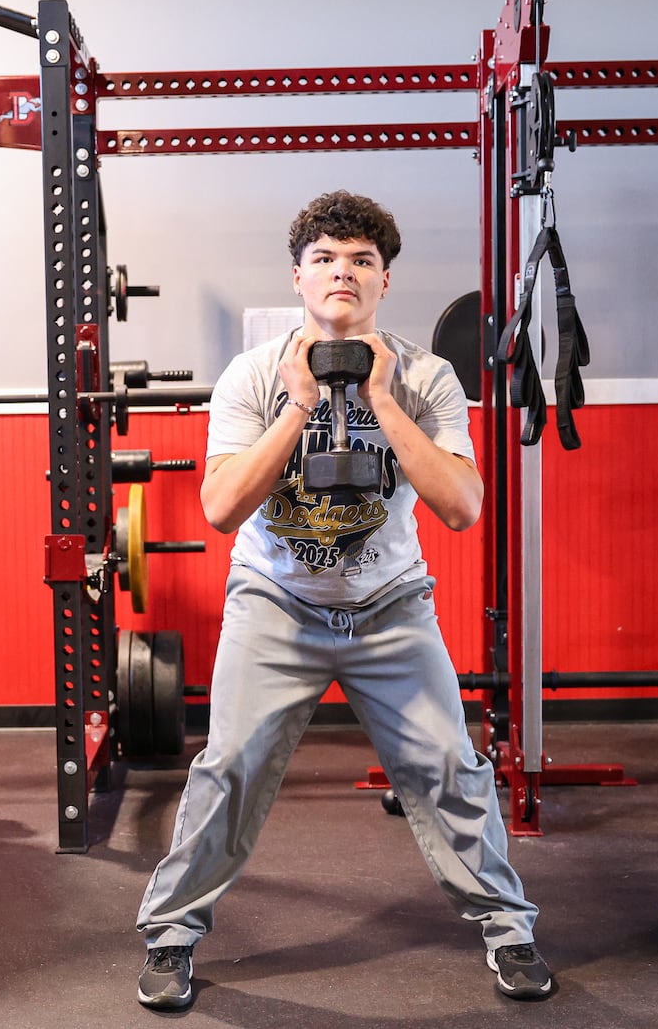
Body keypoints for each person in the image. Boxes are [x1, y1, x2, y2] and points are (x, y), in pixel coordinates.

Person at [134, 191, 552, 1010]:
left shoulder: (425, 376)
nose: (343, 273)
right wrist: (298, 404)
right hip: (276, 603)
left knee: (449, 768)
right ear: (299, 276)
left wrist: (383, 400)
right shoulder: (253, 376)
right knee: (230, 767)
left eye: (362, 260)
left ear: (384, 282)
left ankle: (509, 926)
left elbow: (463, 507)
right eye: (326, 258)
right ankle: (171, 935)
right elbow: (220, 510)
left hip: (390, 605)